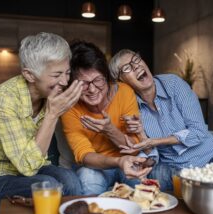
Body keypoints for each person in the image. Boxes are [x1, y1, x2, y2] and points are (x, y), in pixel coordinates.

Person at [0, 32, 84, 214]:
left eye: (67, 73)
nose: (65, 81)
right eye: (57, 74)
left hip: (28, 170)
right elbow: (27, 167)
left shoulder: (51, 96)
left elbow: (33, 165)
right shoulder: (2, 99)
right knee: (47, 186)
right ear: (29, 75)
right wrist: (52, 115)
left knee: (70, 180)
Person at [109, 49, 213, 191]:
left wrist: (156, 141)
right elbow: (153, 156)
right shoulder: (131, 107)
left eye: (136, 59)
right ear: (121, 81)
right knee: (155, 174)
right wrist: (142, 137)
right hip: (175, 170)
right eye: (127, 68)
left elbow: (198, 131)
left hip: (211, 159)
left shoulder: (173, 84)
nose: (136, 66)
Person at [59, 41, 156, 195]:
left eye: (97, 80)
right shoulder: (69, 107)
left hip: (129, 161)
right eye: (83, 83)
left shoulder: (124, 92)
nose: (92, 89)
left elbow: (134, 149)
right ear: (72, 84)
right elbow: (84, 156)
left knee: (142, 185)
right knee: (86, 176)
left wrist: (109, 130)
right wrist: (118, 161)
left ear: (106, 76)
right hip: (96, 167)